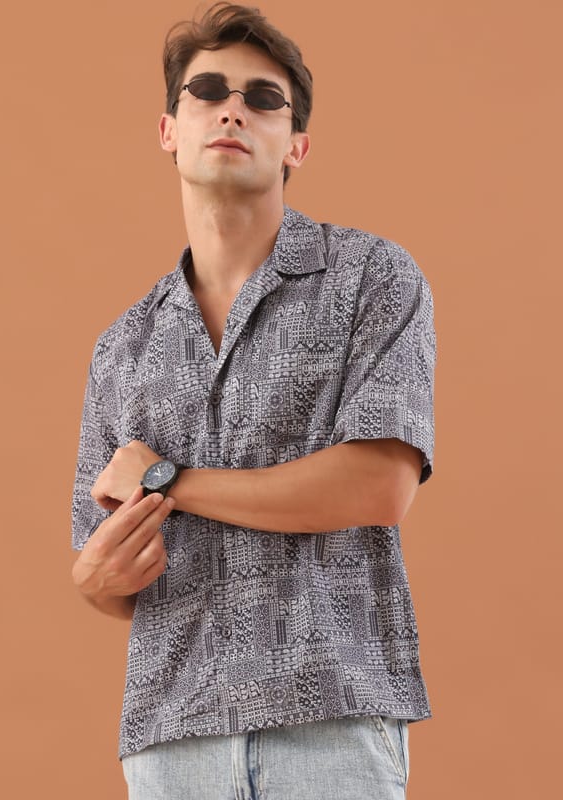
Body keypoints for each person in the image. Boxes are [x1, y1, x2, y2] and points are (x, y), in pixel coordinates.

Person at [71, 3, 436, 798]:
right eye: (208, 90)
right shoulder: (121, 348)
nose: (232, 109)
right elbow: (112, 564)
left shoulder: (372, 278)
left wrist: (169, 479)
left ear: (296, 145)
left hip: (332, 719)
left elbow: (379, 485)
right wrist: (94, 582)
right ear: (169, 130)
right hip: (171, 736)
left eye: (264, 98)